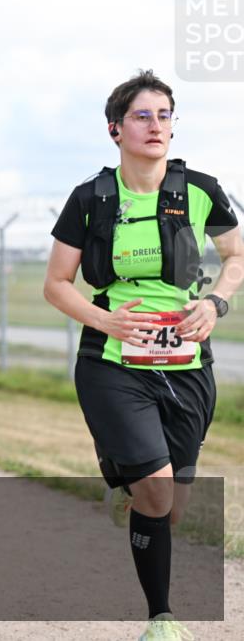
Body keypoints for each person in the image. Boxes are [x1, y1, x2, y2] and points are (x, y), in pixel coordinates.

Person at [44, 70, 242, 641]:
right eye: (142, 116)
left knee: (170, 508)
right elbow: (57, 284)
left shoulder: (201, 190)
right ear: (115, 129)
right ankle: (161, 619)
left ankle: (130, 486)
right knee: (154, 490)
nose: (156, 126)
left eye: (165, 115)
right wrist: (105, 318)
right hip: (111, 363)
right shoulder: (90, 198)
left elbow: (236, 256)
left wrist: (216, 303)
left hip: (186, 367)